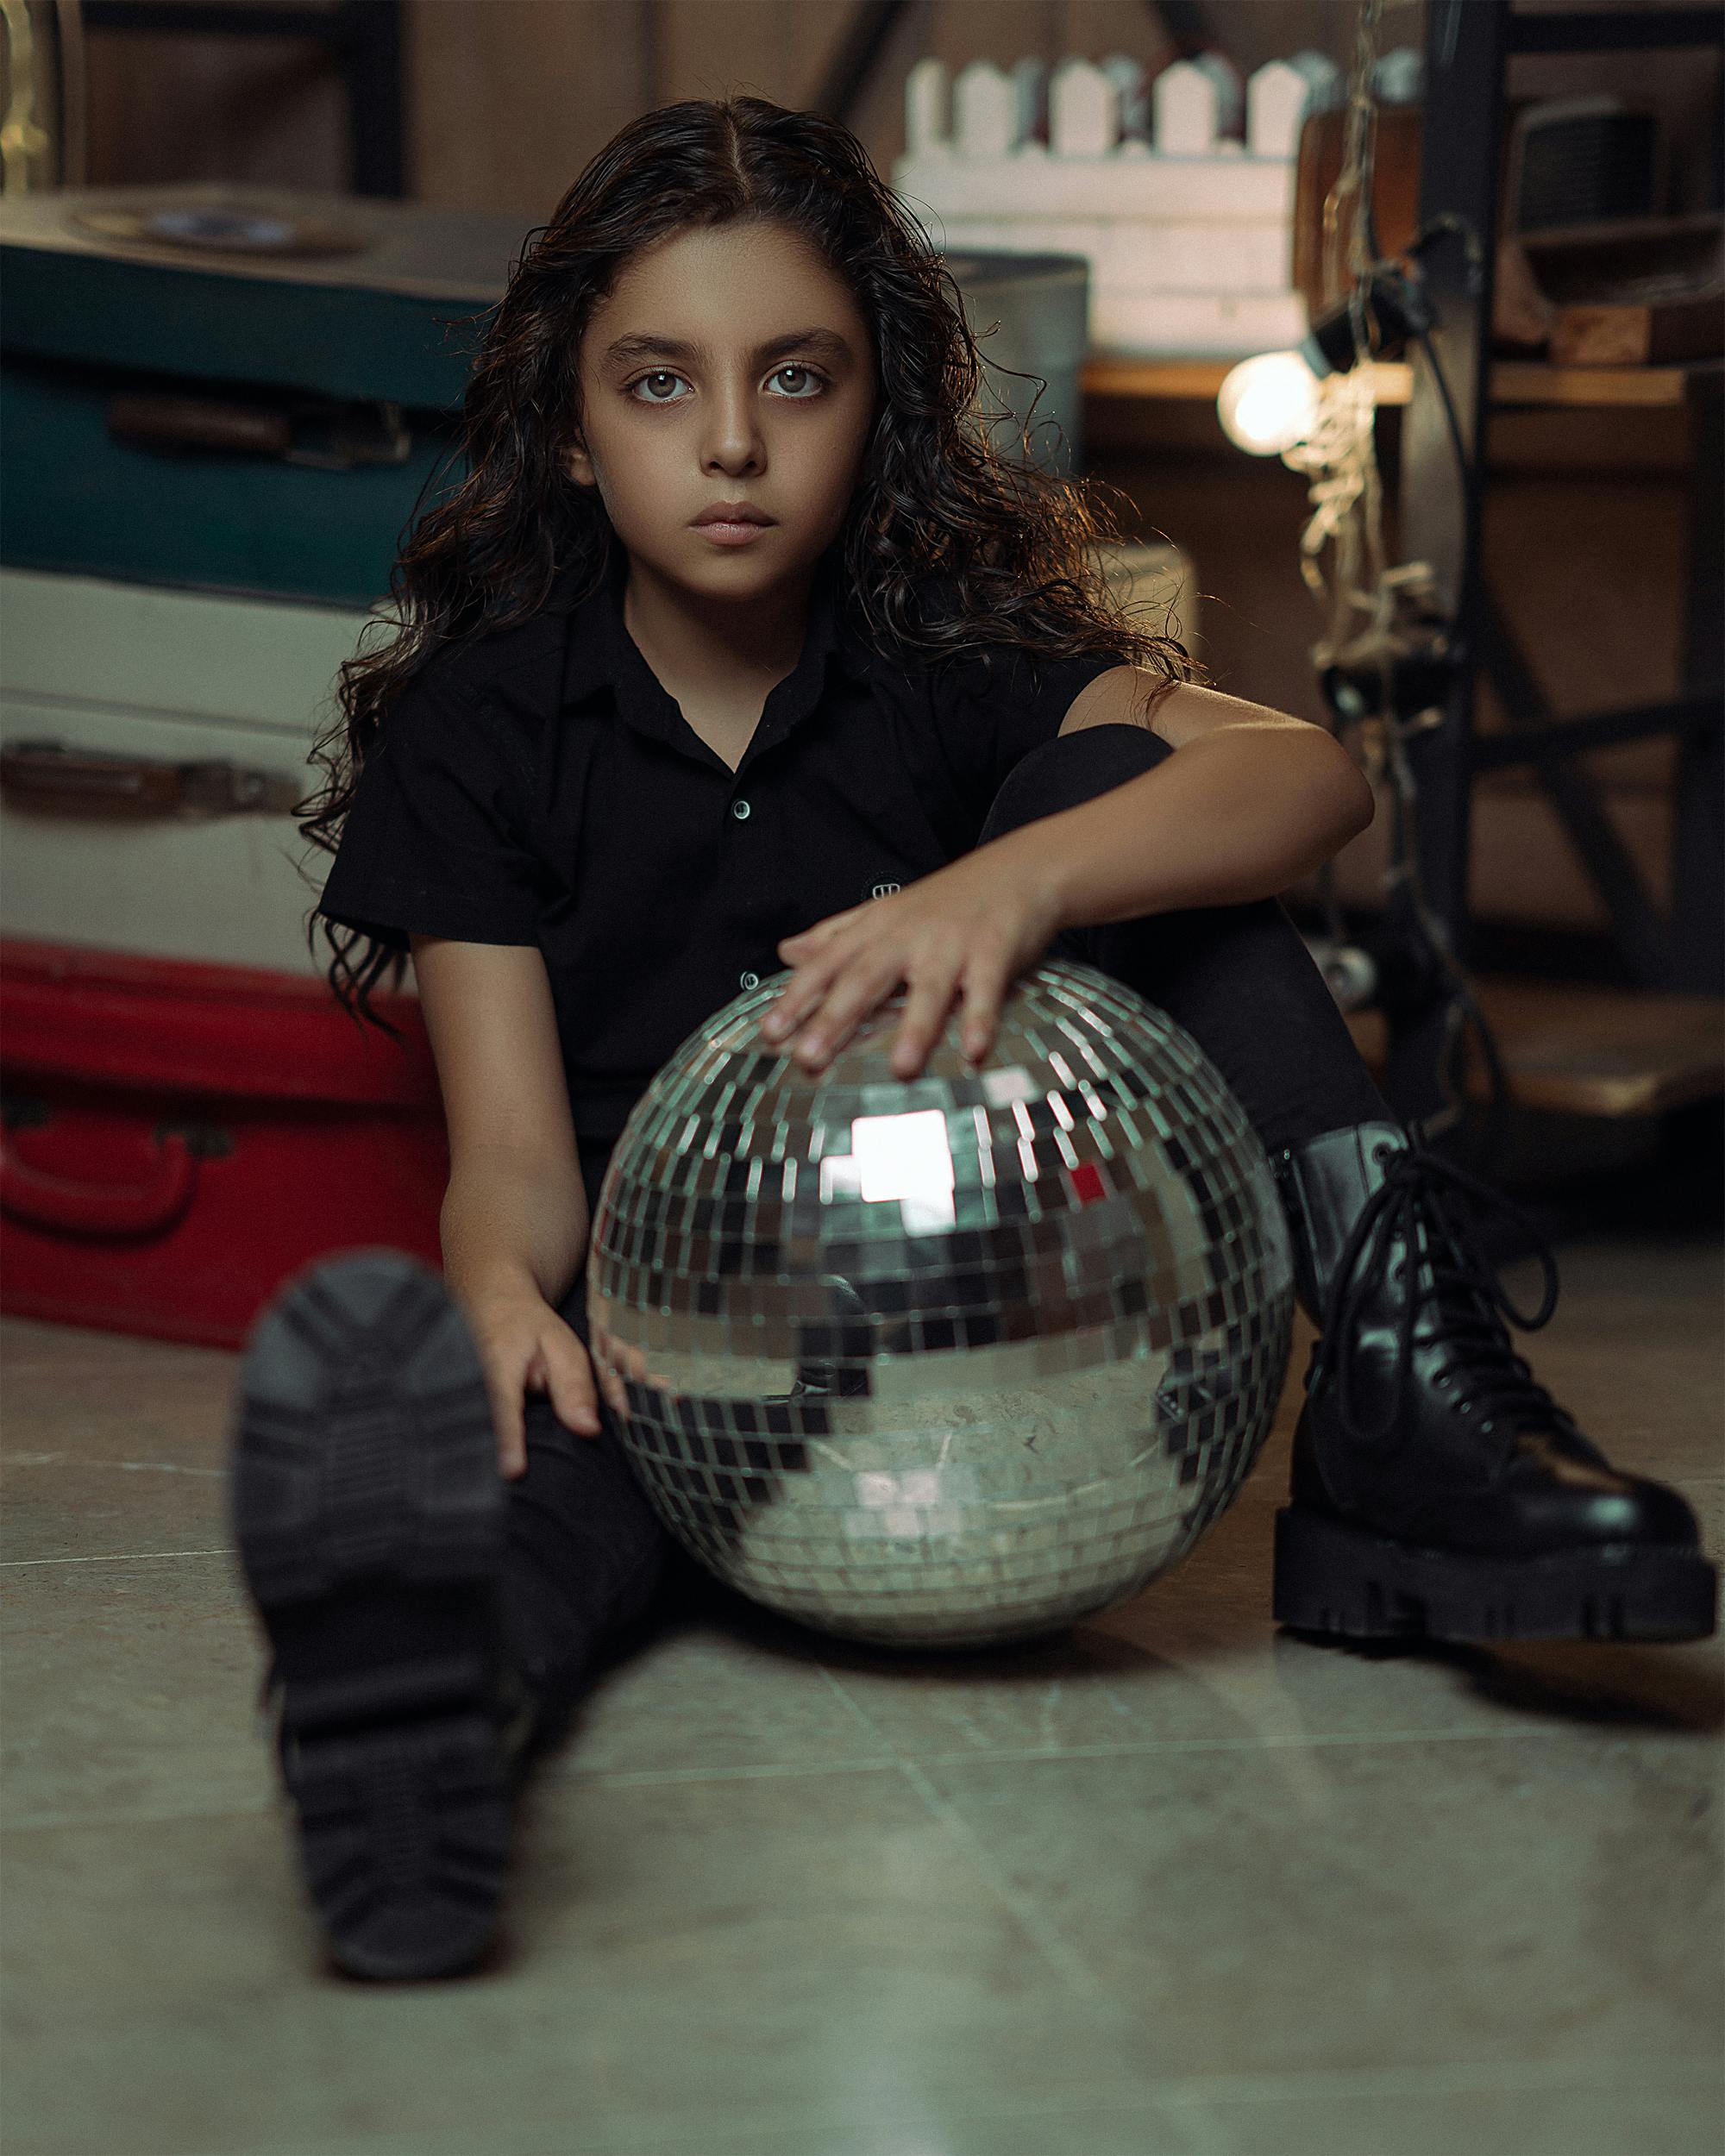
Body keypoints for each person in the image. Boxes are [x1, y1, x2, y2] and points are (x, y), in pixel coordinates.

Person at [229, 96, 1717, 1984]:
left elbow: (1302, 777)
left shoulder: (938, 653)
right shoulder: (483, 724)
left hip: (985, 1318)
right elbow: (514, 1158)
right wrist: (499, 1304)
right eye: (659, 383)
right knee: (539, 1513)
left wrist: (1008, 886)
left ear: (880, 407)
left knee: (1121, 782)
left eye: (797, 376)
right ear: (573, 433)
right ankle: (421, 1743)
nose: (735, 441)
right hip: (675, 1341)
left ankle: (1405, 1384)